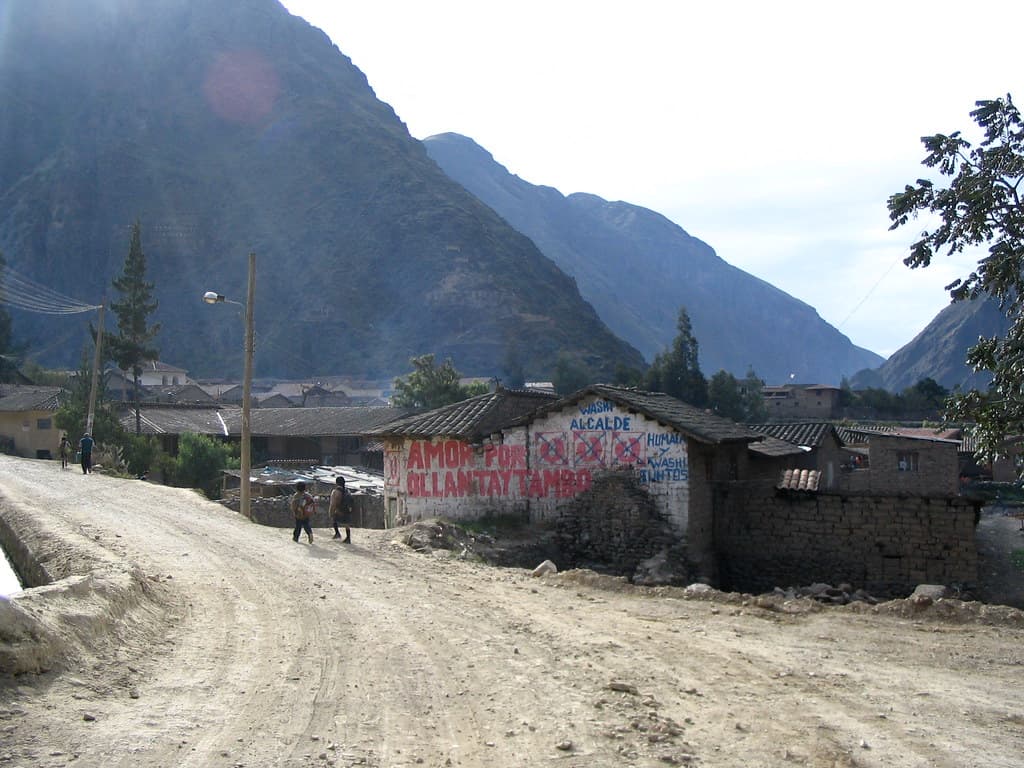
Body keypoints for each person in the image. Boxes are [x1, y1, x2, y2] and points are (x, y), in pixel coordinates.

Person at [329, 476, 354, 542]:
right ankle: (348, 538)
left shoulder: (336, 491)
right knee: (347, 524)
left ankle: (337, 533)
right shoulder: (347, 491)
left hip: (339, 510)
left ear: (336, 483)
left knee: (334, 519)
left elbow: (333, 503)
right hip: (347, 509)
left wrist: (331, 511)